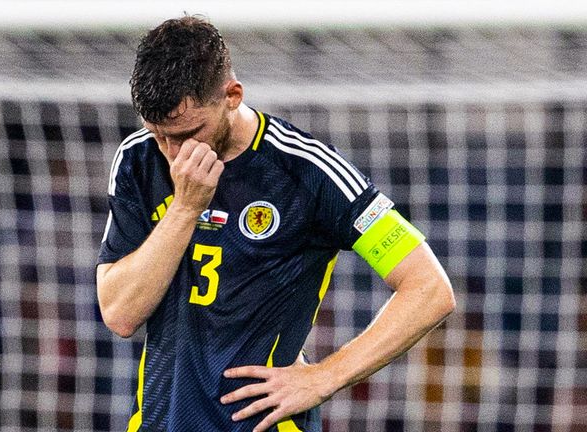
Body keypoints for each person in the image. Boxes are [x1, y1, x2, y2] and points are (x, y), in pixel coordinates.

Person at [96, 15, 455, 432]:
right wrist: (184, 209)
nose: (173, 153)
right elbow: (120, 314)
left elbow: (430, 289)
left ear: (232, 95)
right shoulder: (138, 159)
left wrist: (324, 377)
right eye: (159, 134)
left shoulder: (307, 171)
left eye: (189, 132)